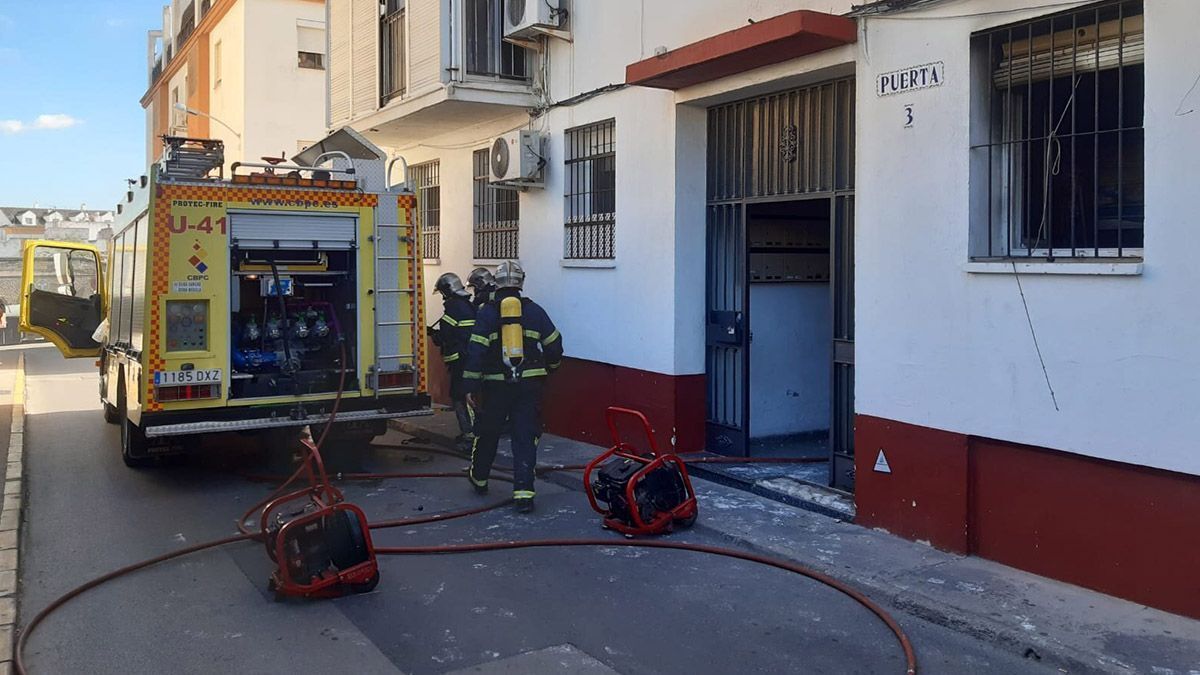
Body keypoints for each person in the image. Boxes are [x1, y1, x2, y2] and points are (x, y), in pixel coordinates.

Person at [462, 261, 562, 513]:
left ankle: (480, 479)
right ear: (521, 282)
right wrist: (551, 367)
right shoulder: (535, 311)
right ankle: (524, 494)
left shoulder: (487, 312)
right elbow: (554, 344)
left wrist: (471, 386)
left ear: (497, 282)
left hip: (496, 387)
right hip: (529, 385)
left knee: (488, 433)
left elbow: (475, 350)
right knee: (525, 436)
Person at [428, 272, 477, 450]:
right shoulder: (468, 305)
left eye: (442, 293)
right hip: (471, 358)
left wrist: (434, 335)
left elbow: (447, 334)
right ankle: (473, 433)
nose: (442, 297)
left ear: (448, 290)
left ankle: (470, 435)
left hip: (460, 360)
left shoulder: (453, 306)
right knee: (468, 393)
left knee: (460, 396)